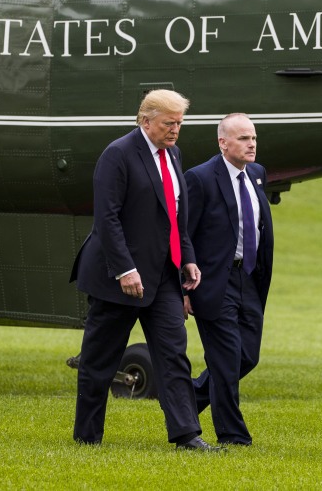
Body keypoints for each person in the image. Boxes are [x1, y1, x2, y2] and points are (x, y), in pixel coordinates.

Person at [70, 89, 222, 451]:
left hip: (164, 277)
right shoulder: (118, 154)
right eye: (169, 123)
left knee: (173, 355)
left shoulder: (174, 155)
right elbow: (106, 218)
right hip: (118, 279)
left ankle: (187, 436)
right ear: (146, 120)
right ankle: (87, 436)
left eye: (179, 124)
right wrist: (125, 269)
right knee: (99, 360)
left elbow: (175, 215)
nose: (175, 130)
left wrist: (187, 257)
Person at [183, 113, 274, 446]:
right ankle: (233, 436)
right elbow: (183, 234)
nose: (251, 144)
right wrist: (183, 288)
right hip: (211, 282)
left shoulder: (258, 175)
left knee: (247, 356)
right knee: (224, 361)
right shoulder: (200, 178)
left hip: (248, 279)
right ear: (223, 142)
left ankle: (186, 402)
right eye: (242, 139)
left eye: (253, 138)